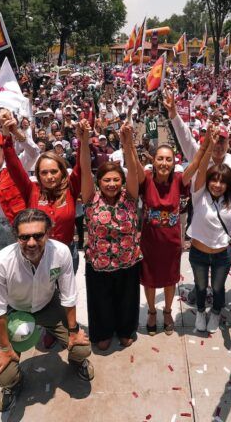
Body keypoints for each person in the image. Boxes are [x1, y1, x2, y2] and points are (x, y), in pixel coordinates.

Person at [0, 209, 93, 412]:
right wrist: (4, 348)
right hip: (15, 311)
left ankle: (76, 362)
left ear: (48, 233)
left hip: (48, 305)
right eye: (24, 237)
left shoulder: (61, 252)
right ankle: (14, 385)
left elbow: (68, 294)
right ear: (16, 237)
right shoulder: (0, 263)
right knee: (4, 375)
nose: (31, 243)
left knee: (81, 348)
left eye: (38, 235)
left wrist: (73, 332)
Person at [81, 120, 143, 350]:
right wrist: (85, 141)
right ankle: (104, 332)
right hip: (99, 263)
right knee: (100, 302)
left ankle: (126, 329)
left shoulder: (130, 196)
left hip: (128, 261)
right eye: (106, 179)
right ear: (99, 182)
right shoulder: (91, 197)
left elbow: (135, 171)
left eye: (116, 179)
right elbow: (85, 168)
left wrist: (128, 144)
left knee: (127, 301)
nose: (112, 183)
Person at [186, 123, 231, 334]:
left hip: (222, 255)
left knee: (217, 288)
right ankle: (200, 311)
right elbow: (203, 169)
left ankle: (215, 312)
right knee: (200, 287)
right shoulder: (199, 194)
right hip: (198, 253)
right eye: (213, 180)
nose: (217, 185)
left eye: (222, 182)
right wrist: (209, 145)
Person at [2, 112, 83, 272]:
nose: (49, 176)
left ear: (62, 172)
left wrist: (82, 140)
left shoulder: (71, 188)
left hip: (66, 254)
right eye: (44, 172)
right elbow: (13, 166)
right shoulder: (31, 189)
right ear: (37, 175)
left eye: (54, 171)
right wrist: (7, 135)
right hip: (37, 254)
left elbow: (81, 165)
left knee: (65, 296)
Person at [130, 142, 195, 336]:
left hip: (172, 243)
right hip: (149, 242)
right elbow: (134, 164)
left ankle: (167, 312)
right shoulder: (147, 179)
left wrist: (207, 142)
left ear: (174, 163)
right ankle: (151, 312)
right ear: (153, 161)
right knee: (149, 280)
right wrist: (129, 143)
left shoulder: (179, 180)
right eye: (160, 158)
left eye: (169, 159)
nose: (164, 162)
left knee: (170, 280)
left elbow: (197, 163)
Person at [0, 113, 41, 258]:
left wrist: (15, 131)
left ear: (2, 148)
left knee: (22, 266)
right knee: (0, 268)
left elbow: (34, 152)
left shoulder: (15, 166)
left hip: (15, 226)